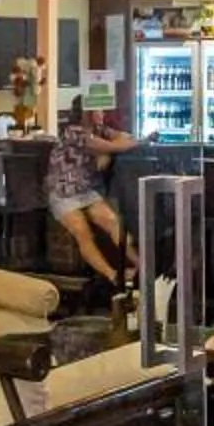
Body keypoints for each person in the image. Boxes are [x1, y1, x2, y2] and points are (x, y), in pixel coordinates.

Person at [46, 98, 141, 288]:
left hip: (85, 190)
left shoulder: (99, 130)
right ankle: (113, 276)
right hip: (62, 191)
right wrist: (112, 148)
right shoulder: (74, 132)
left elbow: (127, 138)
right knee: (83, 232)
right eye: (98, 110)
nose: (103, 114)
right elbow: (118, 145)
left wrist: (116, 145)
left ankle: (141, 265)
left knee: (112, 222)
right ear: (86, 113)